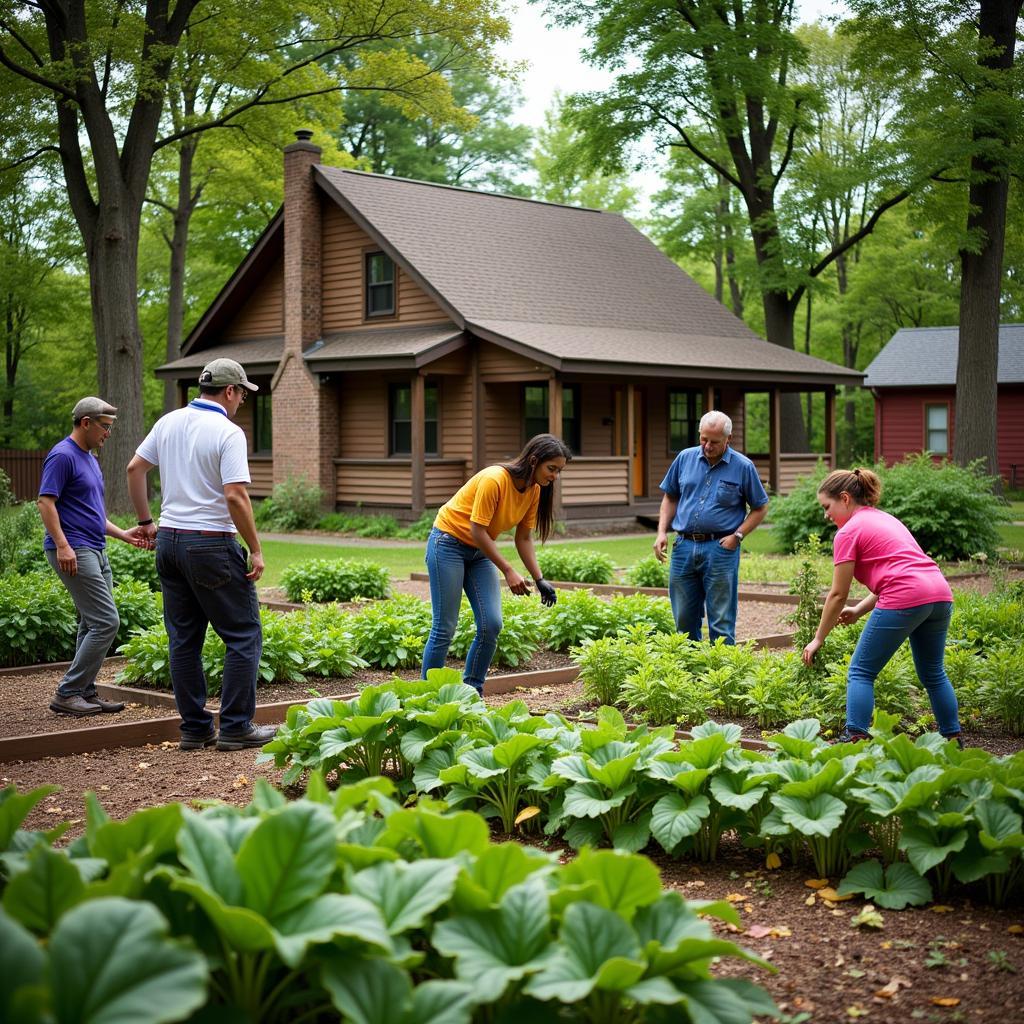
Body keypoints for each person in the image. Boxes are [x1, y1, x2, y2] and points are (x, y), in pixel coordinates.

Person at [126, 358, 275, 752]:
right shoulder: (228, 432)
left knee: (183, 640)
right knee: (244, 635)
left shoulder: (168, 422)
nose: (242, 400)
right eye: (242, 392)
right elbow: (235, 495)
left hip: (170, 541)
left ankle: (194, 728)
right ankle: (237, 727)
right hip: (210, 543)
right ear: (228, 391)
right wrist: (256, 549)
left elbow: (134, 469)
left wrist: (145, 521)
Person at [801, 468, 961, 745]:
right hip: (938, 593)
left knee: (860, 672)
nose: (826, 514)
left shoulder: (848, 532)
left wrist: (818, 638)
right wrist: (859, 610)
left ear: (845, 498)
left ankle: (855, 737)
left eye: (827, 507)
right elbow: (902, 572)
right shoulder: (887, 519)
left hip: (906, 596)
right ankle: (953, 739)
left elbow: (838, 594)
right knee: (933, 673)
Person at [422, 433, 571, 693]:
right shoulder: (495, 479)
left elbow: (523, 537)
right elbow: (477, 530)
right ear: (534, 460)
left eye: (559, 471)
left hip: (479, 553)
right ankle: (424, 697)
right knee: (445, 627)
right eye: (552, 468)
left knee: (491, 624)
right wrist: (508, 570)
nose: (555, 476)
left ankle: (472, 693)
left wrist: (539, 579)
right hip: (448, 544)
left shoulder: (533, 490)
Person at [38, 397, 152, 717]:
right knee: (106, 621)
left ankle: (84, 691)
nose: (108, 433)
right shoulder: (62, 456)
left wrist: (124, 535)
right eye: (105, 426)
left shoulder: (89, 458)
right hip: (75, 549)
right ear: (85, 423)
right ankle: (68, 691)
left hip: (95, 548)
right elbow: (46, 503)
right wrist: (62, 545)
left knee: (90, 622)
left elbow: (92, 515)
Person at [654, 410, 768, 644]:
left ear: (729, 439)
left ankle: (721, 675)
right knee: (684, 619)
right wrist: (661, 532)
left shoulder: (743, 467)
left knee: (721, 620)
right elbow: (670, 497)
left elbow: (760, 507)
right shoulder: (684, 458)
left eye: (714, 442)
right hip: (684, 546)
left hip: (720, 549)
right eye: (703, 439)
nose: (707, 445)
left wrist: (737, 535)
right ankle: (690, 674)